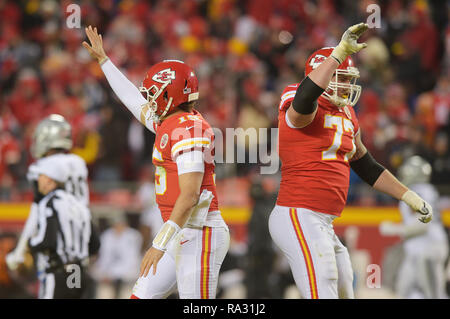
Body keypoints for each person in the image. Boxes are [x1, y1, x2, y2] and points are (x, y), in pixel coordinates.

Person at [269, 23, 433, 299]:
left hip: (324, 220)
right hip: (298, 213)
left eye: (348, 78)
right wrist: (336, 55)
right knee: (325, 283)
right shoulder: (297, 97)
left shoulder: (346, 114)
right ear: (322, 74)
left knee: (346, 283)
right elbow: (303, 104)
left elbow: (365, 164)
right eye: (340, 77)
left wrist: (408, 196)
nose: (346, 85)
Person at [83, 26, 230, 299]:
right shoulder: (170, 123)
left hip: (199, 233)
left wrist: (159, 244)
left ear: (169, 94)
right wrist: (104, 61)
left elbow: (188, 196)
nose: (149, 99)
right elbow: (132, 100)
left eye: (154, 92)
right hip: (180, 231)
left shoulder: (189, 129)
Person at [6, 114, 90, 272]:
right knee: (74, 290)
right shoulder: (78, 162)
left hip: (55, 246)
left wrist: (20, 250)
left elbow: (36, 211)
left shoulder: (42, 167)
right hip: (79, 242)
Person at [27, 155, 100, 298]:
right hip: (78, 271)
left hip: (58, 272)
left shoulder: (49, 202)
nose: (38, 181)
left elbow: (47, 240)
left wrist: (30, 244)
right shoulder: (78, 204)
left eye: (41, 176)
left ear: (51, 180)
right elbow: (95, 244)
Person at [379, 156, 449, 299]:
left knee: (433, 293)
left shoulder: (421, 190)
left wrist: (394, 229)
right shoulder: (419, 190)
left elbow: (424, 225)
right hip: (418, 250)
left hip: (428, 249)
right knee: (403, 289)